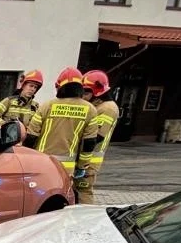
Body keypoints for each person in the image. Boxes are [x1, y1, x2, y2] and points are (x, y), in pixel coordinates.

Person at [24, 67, 99, 177]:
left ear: (59, 86)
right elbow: (89, 142)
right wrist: (82, 166)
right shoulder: (90, 109)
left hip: (42, 164)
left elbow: (31, 136)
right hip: (66, 168)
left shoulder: (47, 106)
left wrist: (27, 160)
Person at [74, 70, 120, 204]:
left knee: (83, 191)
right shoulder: (97, 106)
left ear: (97, 92)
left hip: (89, 160)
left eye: (86, 92)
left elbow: (96, 137)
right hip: (84, 158)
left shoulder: (108, 108)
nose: (83, 96)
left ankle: (85, 219)